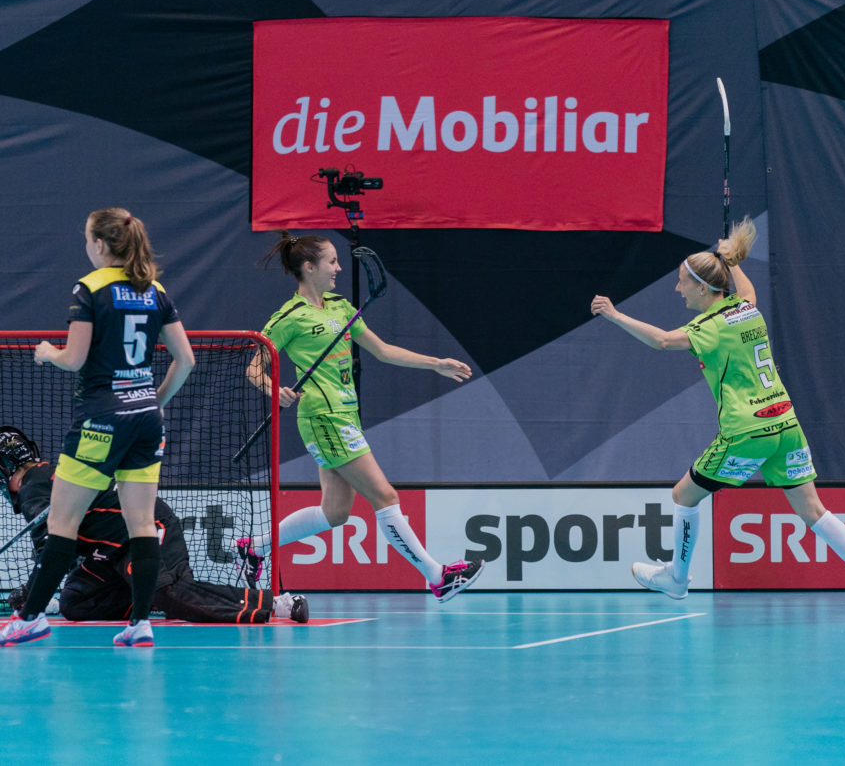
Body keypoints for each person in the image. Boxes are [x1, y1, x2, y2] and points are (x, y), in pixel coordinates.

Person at [591, 216, 845, 606]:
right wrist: (730, 260)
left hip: (747, 430)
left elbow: (664, 341)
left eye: (681, 282)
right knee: (813, 509)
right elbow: (747, 291)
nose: (676, 288)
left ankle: (676, 579)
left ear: (703, 287)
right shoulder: (746, 310)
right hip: (785, 422)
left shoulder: (709, 326)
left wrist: (615, 315)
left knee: (684, 495)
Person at [238, 232, 484, 602]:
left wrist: (437, 364)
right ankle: (437, 577)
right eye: (331, 262)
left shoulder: (339, 306)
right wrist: (276, 391)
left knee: (335, 513)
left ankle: (255, 547)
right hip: (323, 418)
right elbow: (254, 367)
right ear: (309, 267)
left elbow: (382, 351)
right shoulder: (290, 318)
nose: (338, 268)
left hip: (346, 416)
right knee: (384, 496)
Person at [1, 208, 196, 648]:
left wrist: (48, 351)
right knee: (141, 523)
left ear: (100, 245)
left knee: (64, 524)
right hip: (146, 418)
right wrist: (151, 402)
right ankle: (140, 625)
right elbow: (186, 361)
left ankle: (30, 618)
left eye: (87, 239)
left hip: (100, 421)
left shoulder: (89, 288)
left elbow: (74, 359)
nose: (86, 246)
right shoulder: (156, 290)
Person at [0, 426, 308, 625]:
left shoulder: (31, 488)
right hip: (111, 549)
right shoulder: (43, 477)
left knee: (168, 592)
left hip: (144, 526)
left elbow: (53, 551)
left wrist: (32, 594)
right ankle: (148, 602)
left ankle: (277, 603)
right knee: (77, 601)